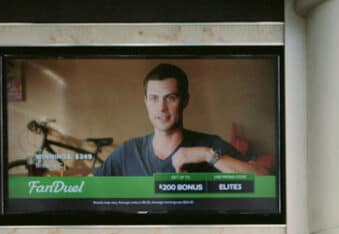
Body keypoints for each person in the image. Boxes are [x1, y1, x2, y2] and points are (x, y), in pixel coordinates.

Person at [93, 63, 268, 177]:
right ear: (146, 101)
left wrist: (206, 155)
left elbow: (263, 177)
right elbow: (86, 188)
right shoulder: (128, 152)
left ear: (185, 100)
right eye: (154, 98)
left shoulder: (209, 145)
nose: (161, 108)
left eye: (170, 98)